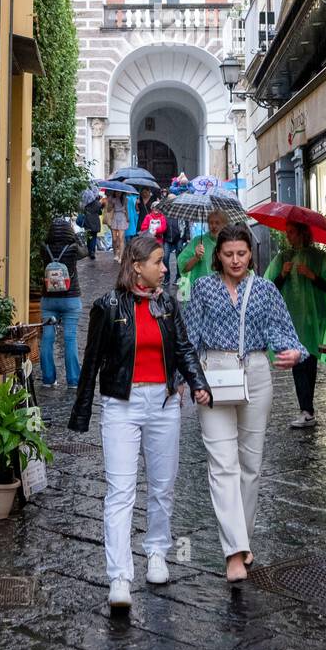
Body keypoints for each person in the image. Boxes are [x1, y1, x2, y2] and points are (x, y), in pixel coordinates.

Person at [68, 234, 212, 611]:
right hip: (121, 404)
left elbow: (182, 347)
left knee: (163, 486)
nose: (165, 268)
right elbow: (92, 360)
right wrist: (83, 411)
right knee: (120, 491)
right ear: (137, 266)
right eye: (158, 262)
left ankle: (157, 553)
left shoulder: (167, 303)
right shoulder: (107, 305)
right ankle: (119, 576)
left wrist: (197, 384)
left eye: (164, 262)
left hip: (164, 404)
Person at [185, 225, 307, 584]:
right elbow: (190, 337)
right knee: (222, 464)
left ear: (250, 253)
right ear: (217, 255)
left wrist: (293, 354)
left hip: (255, 372)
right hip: (214, 375)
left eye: (241, 253)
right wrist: (188, 381)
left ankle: (243, 538)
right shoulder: (204, 287)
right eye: (228, 254)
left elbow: (286, 334)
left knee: (250, 465)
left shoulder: (266, 290)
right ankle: (234, 552)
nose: (235, 260)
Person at [265, 220, 326, 428]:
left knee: (310, 360)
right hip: (292, 317)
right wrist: (283, 274)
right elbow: (270, 286)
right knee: (298, 360)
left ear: (302, 233)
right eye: (287, 232)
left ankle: (307, 409)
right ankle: (306, 409)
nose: (288, 236)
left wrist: (312, 275)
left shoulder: (319, 257)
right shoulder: (283, 258)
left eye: (291, 232)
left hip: (314, 316)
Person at [39, 215, 89, 389]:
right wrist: (75, 238)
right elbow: (86, 252)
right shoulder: (73, 248)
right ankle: (73, 380)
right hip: (70, 298)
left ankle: (48, 379)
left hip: (49, 299)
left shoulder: (44, 248)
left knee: (47, 338)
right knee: (70, 338)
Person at [177, 209, 229, 290]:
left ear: (224, 225)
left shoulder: (231, 242)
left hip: (225, 291)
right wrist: (196, 257)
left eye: (217, 223)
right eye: (211, 223)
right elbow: (183, 268)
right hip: (202, 291)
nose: (213, 226)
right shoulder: (198, 241)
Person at [107, 191, 129, 262]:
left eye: (119, 192)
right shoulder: (112, 199)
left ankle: (121, 256)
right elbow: (108, 210)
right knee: (114, 239)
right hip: (115, 217)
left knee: (121, 238)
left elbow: (126, 209)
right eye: (116, 192)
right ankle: (116, 254)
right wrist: (111, 203)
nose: (118, 193)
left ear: (122, 193)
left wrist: (127, 217)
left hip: (122, 217)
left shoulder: (125, 199)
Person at [81, 192, 102, 260]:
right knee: (94, 236)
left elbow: (82, 211)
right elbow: (100, 212)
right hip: (95, 221)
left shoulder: (85, 203)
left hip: (87, 221)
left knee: (89, 236)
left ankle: (89, 251)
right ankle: (92, 251)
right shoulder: (97, 203)